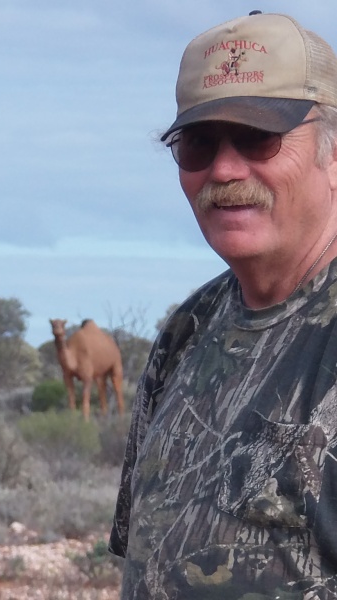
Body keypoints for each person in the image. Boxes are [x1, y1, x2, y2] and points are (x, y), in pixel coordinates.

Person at [109, 11, 337, 599]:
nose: (226, 170)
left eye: (261, 137)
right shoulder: (189, 328)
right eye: (199, 144)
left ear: (331, 153)